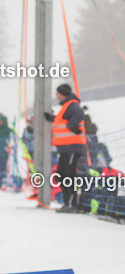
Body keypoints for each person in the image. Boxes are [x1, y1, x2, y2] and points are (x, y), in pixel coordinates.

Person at [45, 83, 87, 212]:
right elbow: (62, 120)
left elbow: (79, 114)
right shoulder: (66, 106)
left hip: (72, 147)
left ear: (62, 93)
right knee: (62, 174)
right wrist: (51, 118)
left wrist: (72, 126)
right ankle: (68, 203)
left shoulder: (72, 105)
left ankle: (71, 204)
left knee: (67, 174)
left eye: (57, 93)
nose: (56, 96)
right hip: (66, 148)